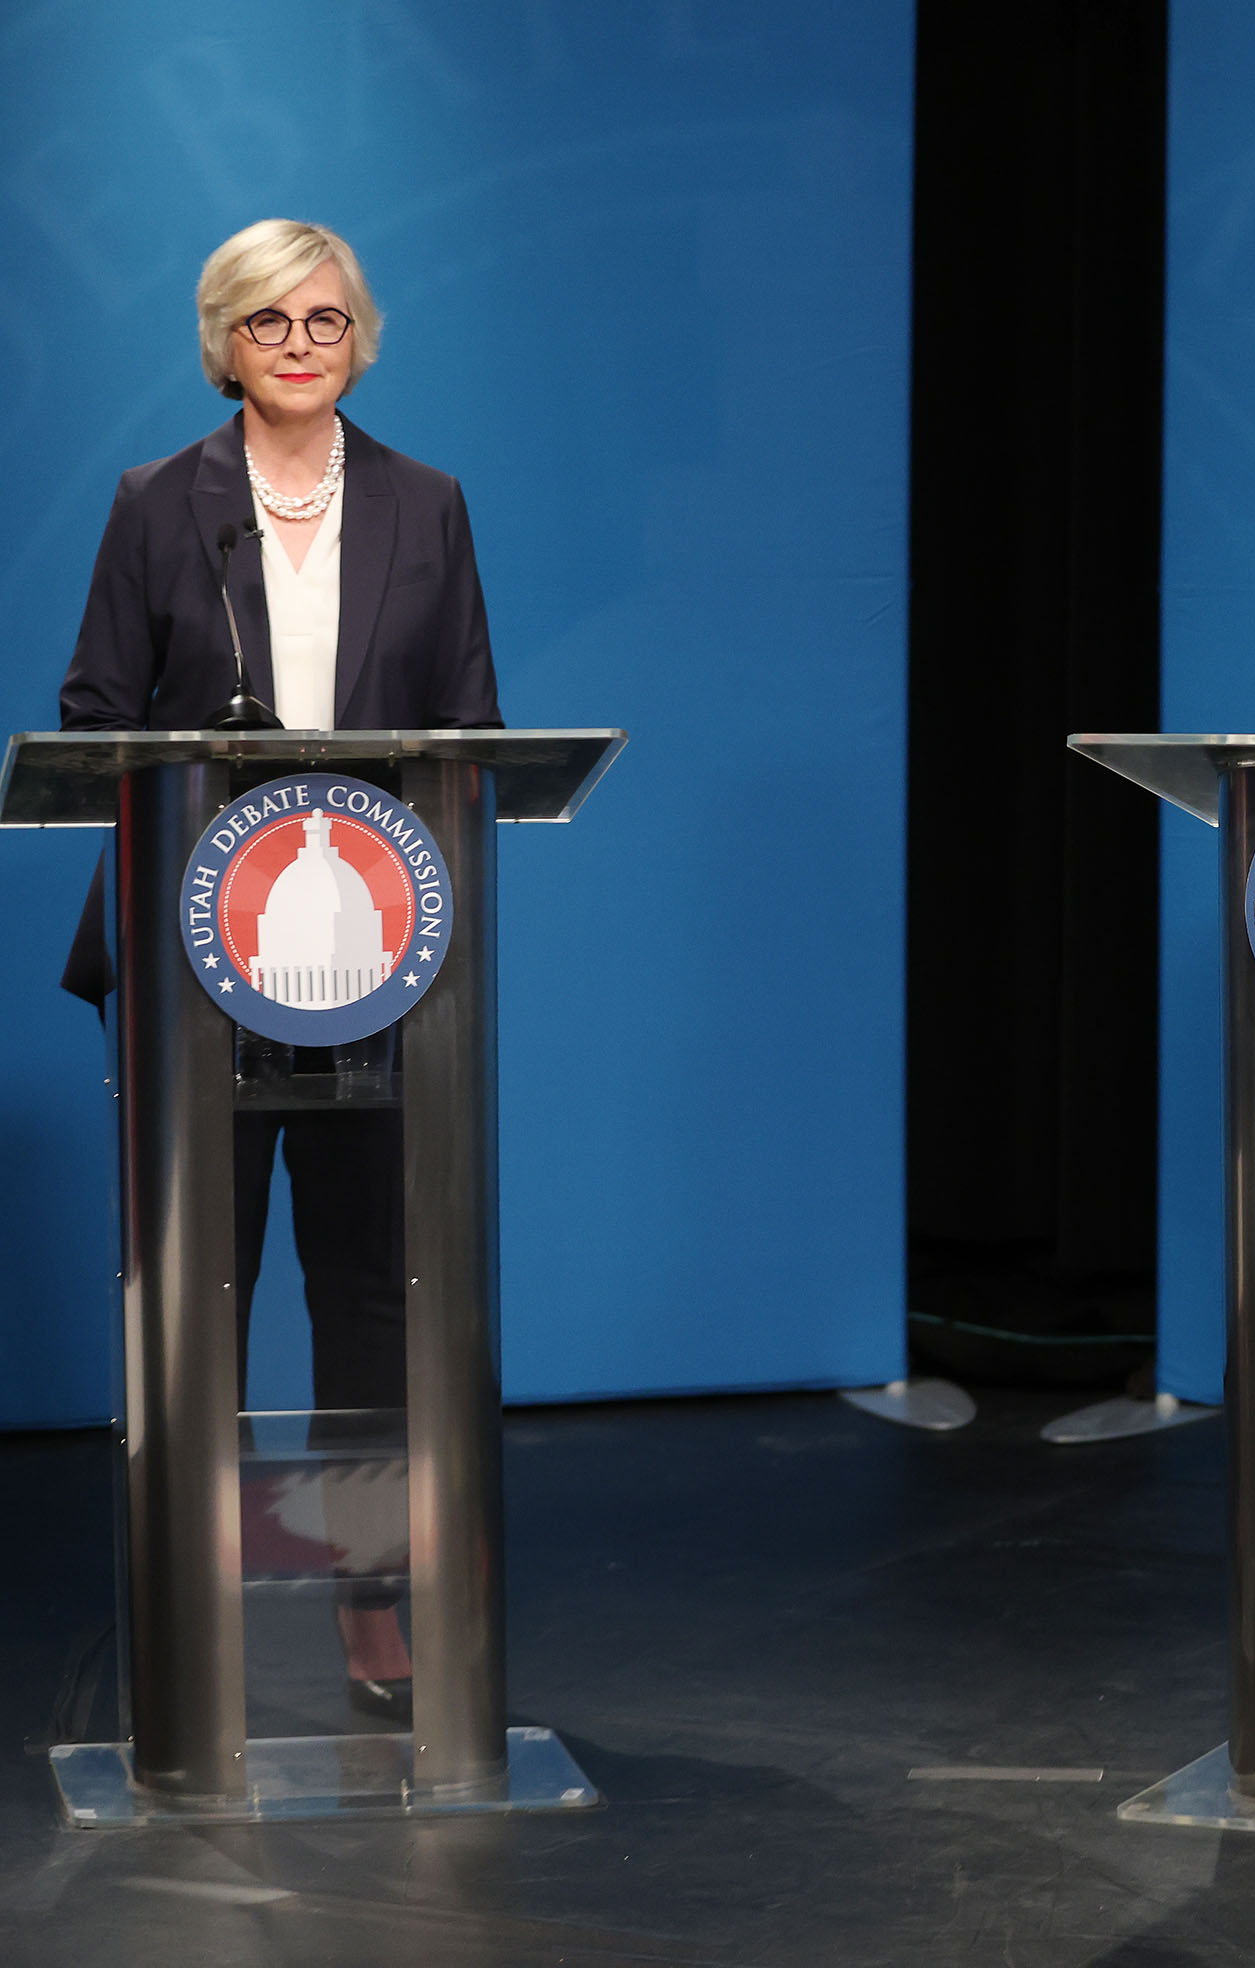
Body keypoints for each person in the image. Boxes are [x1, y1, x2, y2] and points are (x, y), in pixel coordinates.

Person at [59, 218, 502, 1720]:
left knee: (374, 1292)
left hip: (378, 962)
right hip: (200, 946)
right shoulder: (156, 507)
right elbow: (94, 710)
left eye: (325, 322)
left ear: (359, 335)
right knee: (202, 1290)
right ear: (224, 342)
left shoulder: (425, 505)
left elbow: (472, 727)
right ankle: (196, 1608)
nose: (301, 347)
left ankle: (372, 1612)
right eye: (269, 325)